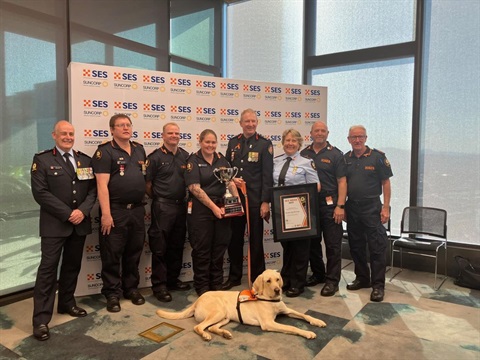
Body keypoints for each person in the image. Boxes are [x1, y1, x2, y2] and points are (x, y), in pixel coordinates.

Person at [30, 120, 96, 341]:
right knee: (48, 271)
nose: (68, 137)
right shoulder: (42, 160)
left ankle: (67, 303)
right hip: (55, 225)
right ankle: (40, 320)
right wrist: (69, 213)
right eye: (63, 133)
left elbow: (92, 192)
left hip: (79, 224)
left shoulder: (83, 160)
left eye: (71, 133)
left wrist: (83, 212)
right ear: (54, 135)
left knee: (71, 267)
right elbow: (40, 193)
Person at [91, 114, 147, 312]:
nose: (126, 128)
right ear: (112, 130)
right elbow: (102, 185)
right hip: (115, 211)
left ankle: (130, 288)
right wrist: (106, 214)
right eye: (121, 125)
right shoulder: (105, 152)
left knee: (134, 252)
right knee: (112, 253)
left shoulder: (140, 149)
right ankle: (112, 293)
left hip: (137, 210)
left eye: (128, 125)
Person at [222, 109, 274, 289]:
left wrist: (265, 201)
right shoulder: (233, 142)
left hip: (254, 200)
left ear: (257, 123)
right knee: (234, 239)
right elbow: (227, 169)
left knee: (256, 241)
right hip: (235, 199)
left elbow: (268, 176)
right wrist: (231, 179)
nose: (250, 124)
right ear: (240, 123)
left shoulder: (264, 144)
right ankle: (234, 277)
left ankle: (258, 279)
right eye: (247, 121)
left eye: (253, 121)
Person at [185, 129, 240, 296]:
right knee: (202, 250)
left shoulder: (221, 159)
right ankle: (202, 288)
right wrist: (214, 208)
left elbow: (229, 183)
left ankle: (216, 285)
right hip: (201, 211)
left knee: (219, 248)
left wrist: (236, 203)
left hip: (222, 209)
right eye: (207, 142)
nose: (210, 145)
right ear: (200, 142)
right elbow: (195, 188)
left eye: (213, 142)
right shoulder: (193, 161)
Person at [344, 125, 393, 302]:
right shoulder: (345, 159)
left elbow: (386, 182)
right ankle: (362, 278)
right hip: (352, 208)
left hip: (372, 207)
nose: (357, 140)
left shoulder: (377, 157)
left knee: (377, 247)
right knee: (356, 246)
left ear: (366, 138)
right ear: (348, 139)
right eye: (353, 137)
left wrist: (386, 207)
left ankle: (378, 286)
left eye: (360, 137)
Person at [301, 121, 347, 297]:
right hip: (309, 205)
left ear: (328, 134)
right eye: (316, 131)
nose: (319, 133)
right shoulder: (304, 154)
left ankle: (332, 280)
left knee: (333, 245)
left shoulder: (336, 154)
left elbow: (342, 181)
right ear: (311, 133)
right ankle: (318, 274)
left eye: (323, 131)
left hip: (330, 205)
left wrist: (340, 206)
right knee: (312, 243)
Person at [146, 122, 190, 303]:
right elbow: (147, 185)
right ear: (163, 136)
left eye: (177, 133)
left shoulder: (185, 156)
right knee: (160, 247)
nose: (174, 136)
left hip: (181, 206)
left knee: (177, 245)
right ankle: (159, 285)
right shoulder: (155, 157)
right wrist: (159, 199)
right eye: (170, 133)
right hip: (162, 207)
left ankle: (172, 280)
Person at [273, 129, 320, 297]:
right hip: (282, 213)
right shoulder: (276, 162)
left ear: (299, 144)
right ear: (283, 142)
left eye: (294, 141)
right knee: (288, 248)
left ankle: (298, 283)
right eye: (287, 140)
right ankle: (286, 279)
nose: (290, 143)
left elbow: (316, 187)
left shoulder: (307, 162)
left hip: (301, 212)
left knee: (301, 249)